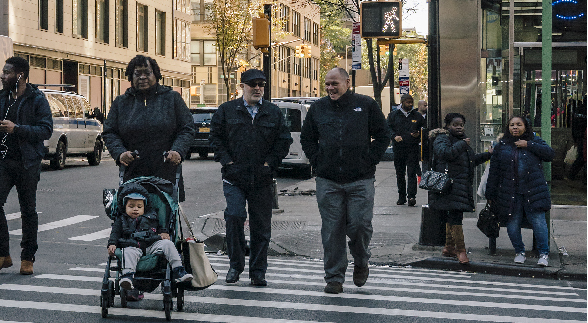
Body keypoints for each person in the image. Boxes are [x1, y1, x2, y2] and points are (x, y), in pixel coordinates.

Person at [300, 66, 388, 295]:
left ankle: (361, 260)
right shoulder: (318, 108)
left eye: (335, 83)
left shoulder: (366, 105)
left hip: (360, 180)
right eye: (327, 84)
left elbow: (382, 135)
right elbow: (307, 138)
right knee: (332, 231)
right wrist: (317, 161)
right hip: (328, 180)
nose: (330, 88)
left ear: (347, 83)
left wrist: (369, 160)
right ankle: (334, 278)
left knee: (360, 226)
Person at [209, 69, 291, 287]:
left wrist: (270, 164)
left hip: (262, 179)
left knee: (261, 226)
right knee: (234, 217)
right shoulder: (227, 110)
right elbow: (215, 138)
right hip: (234, 178)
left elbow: (284, 141)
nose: (257, 88)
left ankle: (258, 272)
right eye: (252, 84)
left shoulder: (273, 112)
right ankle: (235, 266)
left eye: (261, 85)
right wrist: (227, 162)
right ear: (242, 86)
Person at [0, 55, 53, 275]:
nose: (2, 76)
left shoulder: (37, 99)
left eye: (7, 72)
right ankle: (2, 255)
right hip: (3, 160)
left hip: (28, 161)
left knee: (28, 210)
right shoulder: (0, 98)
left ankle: (27, 258)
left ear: (20, 75)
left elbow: (46, 130)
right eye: (3, 72)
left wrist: (17, 129)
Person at [102, 54, 196, 193]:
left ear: (156, 74)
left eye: (147, 73)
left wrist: (178, 151)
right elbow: (109, 132)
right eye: (137, 74)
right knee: (135, 213)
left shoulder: (171, 98)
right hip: (133, 173)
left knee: (164, 213)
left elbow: (187, 128)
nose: (142, 77)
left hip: (166, 172)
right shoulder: (121, 103)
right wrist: (120, 153)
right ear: (130, 77)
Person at [482, 113, 553, 266]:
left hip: (533, 191)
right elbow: (494, 171)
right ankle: (519, 251)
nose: (515, 127)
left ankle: (544, 254)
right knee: (512, 223)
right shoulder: (502, 145)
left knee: (538, 222)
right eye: (512, 125)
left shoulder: (533, 140)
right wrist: (490, 193)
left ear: (525, 127)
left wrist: (528, 145)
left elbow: (549, 154)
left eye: (519, 124)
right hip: (510, 192)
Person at [425, 112, 487, 267]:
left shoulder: (461, 142)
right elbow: (445, 153)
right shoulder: (442, 139)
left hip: (459, 186)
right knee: (455, 217)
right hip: (450, 186)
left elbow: (470, 161)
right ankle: (461, 250)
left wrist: (488, 155)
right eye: (455, 124)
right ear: (447, 125)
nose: (459, 127)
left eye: (461, 125)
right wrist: (462, 144)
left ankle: (449, 247)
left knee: (453, 216)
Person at [109, 190, 191, 303]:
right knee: (127, 252)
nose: (135, 209)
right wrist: (112, 244)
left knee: (168, 244)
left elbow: (161, 227)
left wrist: (163, 232)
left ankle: (179, 270)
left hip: (151, 245)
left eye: (139, 206)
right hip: (133, 246)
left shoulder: (152, 217)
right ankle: (128, 276)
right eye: (131, 206)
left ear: (144, 208)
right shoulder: (121, 220)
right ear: (125, 207)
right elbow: (115, 234)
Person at [387, 91, 427, 206]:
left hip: (412, 148)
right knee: (400, 173)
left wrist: (418, 134)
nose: (410, 104)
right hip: (398, 148)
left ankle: (412, 196)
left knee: (411, 173)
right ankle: (401, 196)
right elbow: (388, 128)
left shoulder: (417, 116)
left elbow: (423, 128)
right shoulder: (394, 115)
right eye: (408, 102)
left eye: (411, 102)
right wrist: (394, 136)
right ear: (402, 102)